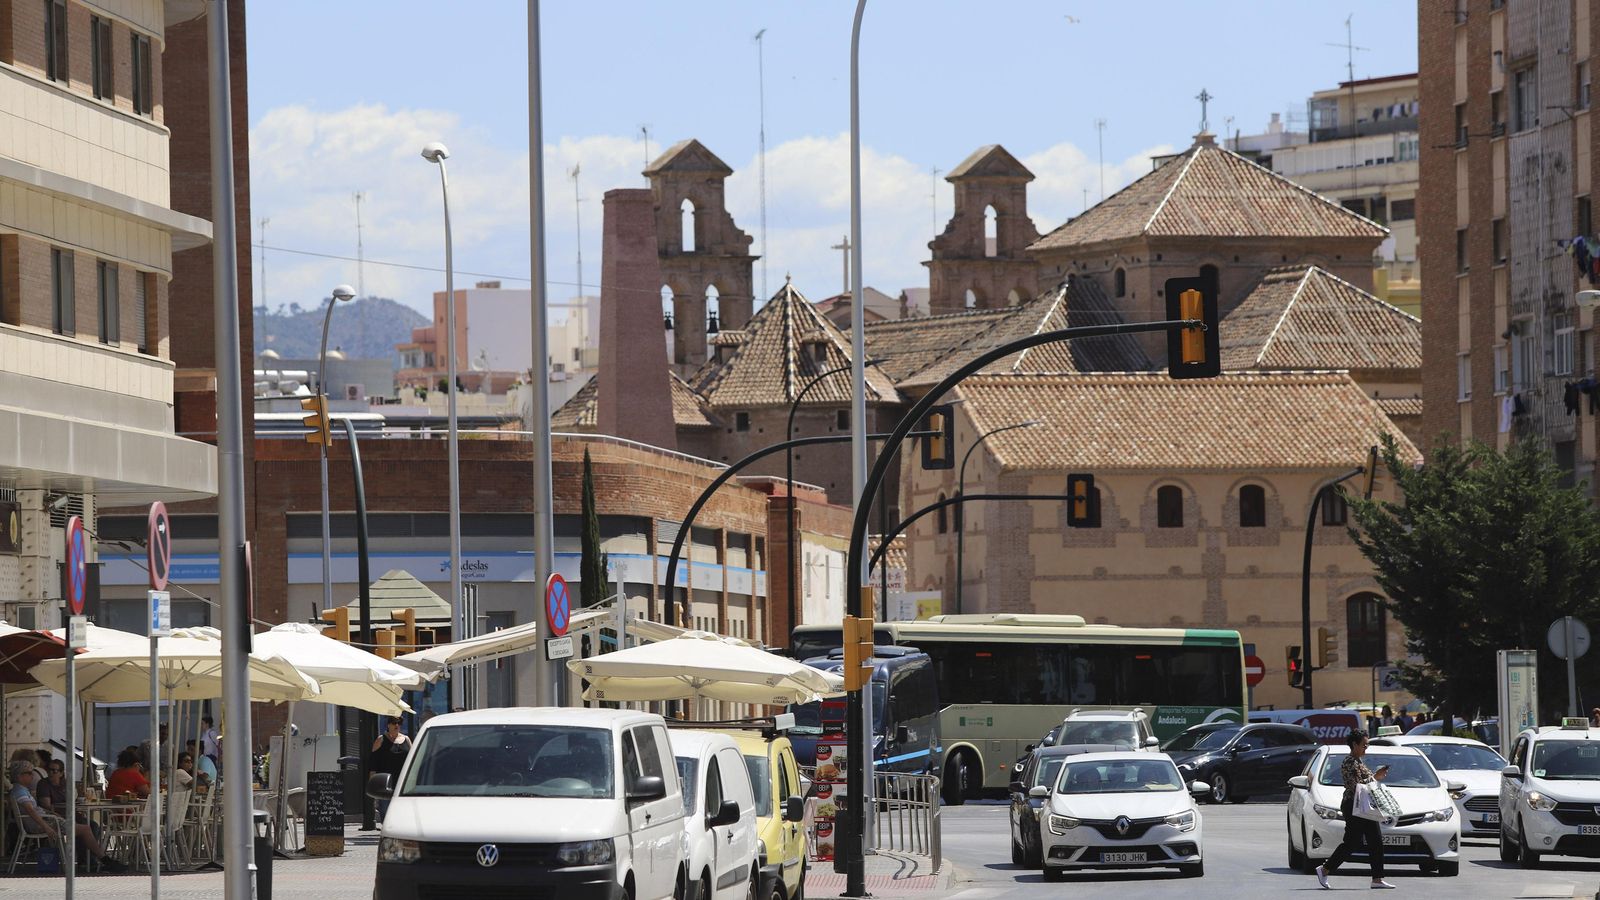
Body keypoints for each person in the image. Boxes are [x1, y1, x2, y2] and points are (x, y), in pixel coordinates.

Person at [9, 761, 125, 873]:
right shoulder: (20, 792)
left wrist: (53, 814)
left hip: (49, 819)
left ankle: (95, 860)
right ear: (20, 776)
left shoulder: (21, 790)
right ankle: (104, 860)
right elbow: (31, 811)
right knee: (85, 829)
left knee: (88, 826)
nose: (32, 776)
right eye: (29, 773)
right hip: (43, 824)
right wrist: (46, 827)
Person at [1316, 730, 1395, 890]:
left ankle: (1377, 879)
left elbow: (1364, 782)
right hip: (1354, 806)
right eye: (1364, 744)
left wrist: (1375, 777)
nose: (1366, 747)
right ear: (1354, 744)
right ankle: (1324, 869)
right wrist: (1375, 777)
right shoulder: (1349, 762)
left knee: (1376, 841)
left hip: (1364, 807)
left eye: (1367, 744)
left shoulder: (1358, 761)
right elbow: (1356, 786)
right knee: (1352, 843)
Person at [369, 717, 411, 822]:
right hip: (385, 786)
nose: (397, 725)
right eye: (393, 723)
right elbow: (373, 765)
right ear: (388, 725)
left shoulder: (406, 740)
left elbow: (412, 762)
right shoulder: (381, 740)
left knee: (402, 816)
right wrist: (373, 786)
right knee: (386, 816)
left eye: (399, 723)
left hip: (402, 785)